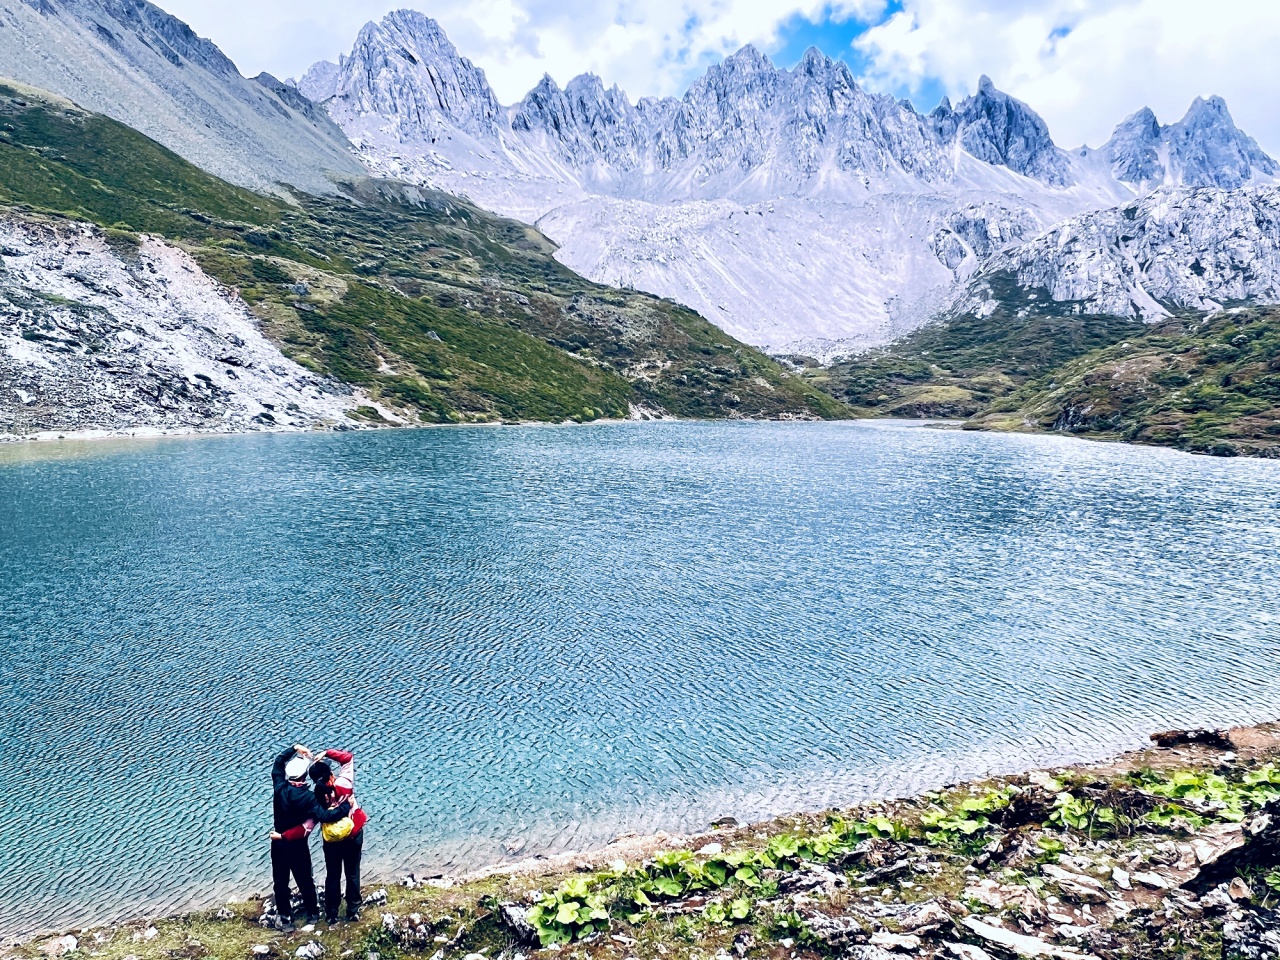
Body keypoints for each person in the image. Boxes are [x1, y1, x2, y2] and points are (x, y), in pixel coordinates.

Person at [275, 749, 368, 924]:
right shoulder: (344, 783)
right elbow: (348, 759)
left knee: (333, 875)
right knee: (352, 873)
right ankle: (353, 910)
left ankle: (332, 914)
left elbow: (305, 829)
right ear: (331, 774)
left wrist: (282, 836)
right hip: (353, 835)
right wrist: (326, 753)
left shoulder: (316, 800)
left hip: (332, 841)